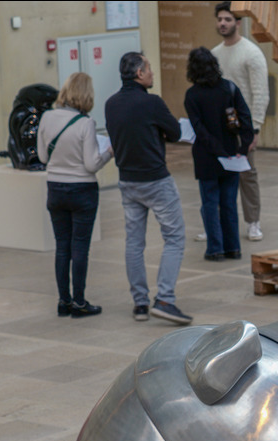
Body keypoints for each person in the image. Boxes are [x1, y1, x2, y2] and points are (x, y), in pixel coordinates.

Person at [105, 52, 193, 325]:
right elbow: (177, 134)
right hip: (156, 181)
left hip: (128, 181)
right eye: (150, 68)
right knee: (175, 237)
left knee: (134, 243)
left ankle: (140, 304)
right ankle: (165, 299)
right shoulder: (152, 102)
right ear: (140, 74)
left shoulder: (111, 104)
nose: (153, 73)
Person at [37, 72, 113, 318]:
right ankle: (80, 302)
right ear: (86, 95)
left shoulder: (47, 117)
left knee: (62, 247)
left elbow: (42, 157)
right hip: (82, 190)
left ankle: (63, 301)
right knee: (80, 248)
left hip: (55, 189)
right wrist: (109, 152)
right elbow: (91, 164)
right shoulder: (85, 123)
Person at [185, 47, 254, 262]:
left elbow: (199, 129)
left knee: (210, 203)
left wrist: (216, 151)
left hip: (207, 157)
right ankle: (233, 248)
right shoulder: (229, 89)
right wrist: (241, 149)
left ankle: (215, 249)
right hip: (232, 156)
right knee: (229, 203)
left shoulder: (192, 95)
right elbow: (246, 119)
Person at [212, 1, 270, 242]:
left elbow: (260, 92)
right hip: (219, 125)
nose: (222, 24)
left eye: (227, 19)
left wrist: (254, 127)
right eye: (220, 19)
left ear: (238, 22)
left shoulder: (251, 53)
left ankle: (253, 221)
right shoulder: (214, 54)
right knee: (217, 173)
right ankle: (216, 224)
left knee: (247, 174)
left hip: (244, 126)